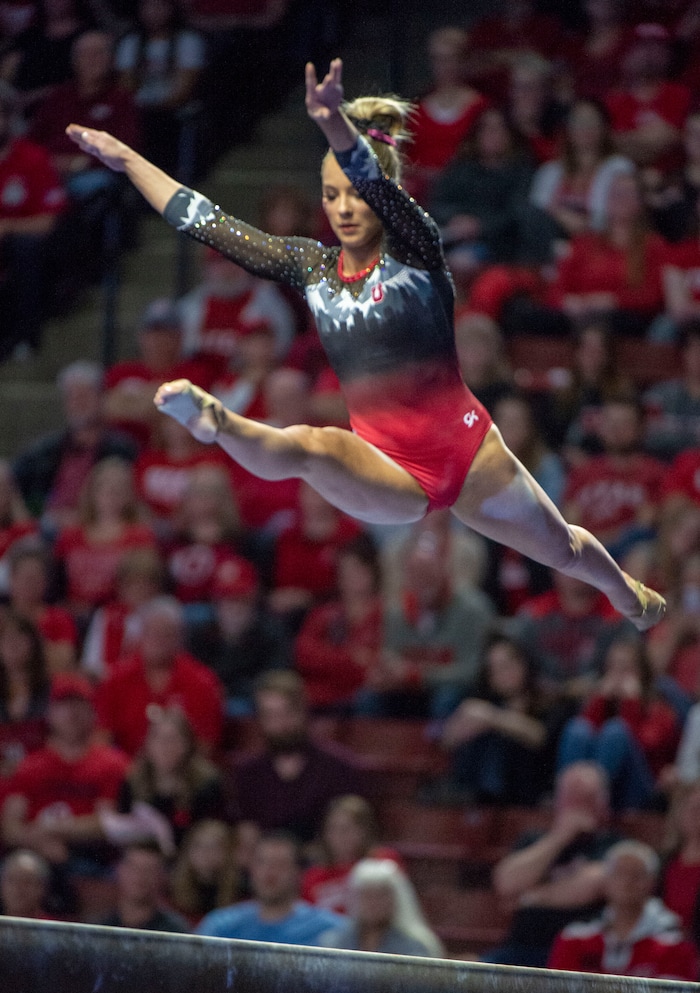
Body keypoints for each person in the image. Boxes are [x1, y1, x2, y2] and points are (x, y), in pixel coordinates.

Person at [67, 57, 666, 634]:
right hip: (386, 467)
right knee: (312, 445)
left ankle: (626, 593)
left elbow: (370, 176)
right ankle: (216, 422)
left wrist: (332, 123)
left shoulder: (417, 249)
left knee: (561, 547)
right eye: (331, 196)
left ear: (380, 194)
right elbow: (205, 220)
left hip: (469, 452)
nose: (345, 208)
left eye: (354, 194)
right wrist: (126, 160)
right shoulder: (311, 266)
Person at [486, 761, 622, 968]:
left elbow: (593, 885)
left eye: (587, 798)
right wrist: (561, 837)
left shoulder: (613, 845)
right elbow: (506, 881)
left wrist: (529, 896)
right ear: (558, 801)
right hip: (520, 950)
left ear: (603, 802)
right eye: (572, 798)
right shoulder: (534, 840)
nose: (578, 807)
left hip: (581, 955)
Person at [0, 672, 129, 875]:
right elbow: (10, 827)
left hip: (92, 858)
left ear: (93, 712)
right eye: (64, 706)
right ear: (50, 713)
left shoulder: (112, 764)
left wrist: (51, 830)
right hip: (35, 856)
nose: (71, 713)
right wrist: (40, 843)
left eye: (79, 705)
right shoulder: (31, 766)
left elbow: (107, 824)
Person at [427, 634, 569, 807]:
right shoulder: (484, 700)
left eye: (506, 666)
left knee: (497, 733)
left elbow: (540, 736)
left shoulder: (549, 699)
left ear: (525, 664)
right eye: (494, 670)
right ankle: (470, 795)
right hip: (484, 790)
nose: (502, 675)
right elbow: (446, 741)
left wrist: (492, 718)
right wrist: (463, 725)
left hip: (533, 787)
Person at [230, 669, 363, 845]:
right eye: (270, 716)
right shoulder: (248, 774)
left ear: (303, 711)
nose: (281, 724)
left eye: (287, 713)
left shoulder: (339, 769)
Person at [12, 360, 136, 532]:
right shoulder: (44, 449)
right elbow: (13, 480)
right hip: (45, 527)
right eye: (72, 396)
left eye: (85, 395)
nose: (78, 403)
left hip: (98, 527)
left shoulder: (122, 449)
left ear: (101, 398)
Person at [557, 637, 679, 811]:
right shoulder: (604, 703)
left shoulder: (661, 710)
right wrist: (600, 700)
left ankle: (590, 804)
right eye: (612, 667)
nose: (617, 675)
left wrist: (631, 704)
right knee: (578, 729)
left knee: (616, 732)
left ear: (642, 673)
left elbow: (645, 746)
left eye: (625, 668)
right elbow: (587, 736)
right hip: (605, 787)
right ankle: (569, 802)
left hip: (640, 789)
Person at [547, 840, 698, 980]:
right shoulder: (574, 938)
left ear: (653, 882)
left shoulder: (676, 944)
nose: (627, 882)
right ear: (605, 880)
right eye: (620, 873)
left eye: (637, 875)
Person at [94, 595, 224, 756]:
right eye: (152, 632)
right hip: (128, 770)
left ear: (180, 638)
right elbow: (101, 738)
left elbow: (205, 745)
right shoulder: (116, 678)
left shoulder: (202, 682)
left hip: (184, 772)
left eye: (166, 634)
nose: (158, 641)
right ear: (141, 634)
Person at [196, 831, 343, 945]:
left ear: (297, 872)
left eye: (280, 864)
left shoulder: (328, 930)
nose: (269, 872)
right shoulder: (221, 927)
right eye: (262, 862)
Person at [318, 858, 443, 958]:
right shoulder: (333, 943)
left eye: (381, 895)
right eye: (367, 895)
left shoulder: (417, 946)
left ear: (396, 899)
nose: (373, 903)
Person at [301, 794, 399, 914]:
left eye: (346, 829)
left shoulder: (383, 862)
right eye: (333, 829)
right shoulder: (313, 876)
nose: (339, 836)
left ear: (364, 832)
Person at [96, 841, 190, 932]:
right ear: (120, 870)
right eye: (134, 868)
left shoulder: (174, 931)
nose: (140, 876)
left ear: (162, 877)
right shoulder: (99, 926)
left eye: (149, 870)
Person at [169, 819, 243, 925]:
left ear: (228, 852)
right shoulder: (170, 891)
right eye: (199, 846)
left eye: (214, 847)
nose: (206, 853)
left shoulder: (241, 892)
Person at [0, 848, 51, 919]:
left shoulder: (56, 928)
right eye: (12, 880)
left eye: (27, 882)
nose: (18, 888)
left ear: (41, 887)